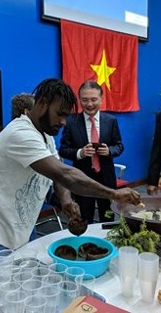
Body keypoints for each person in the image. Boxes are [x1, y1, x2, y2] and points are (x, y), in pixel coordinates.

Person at [0, 78, 142, 262]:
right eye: (60, 114)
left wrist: (65, 201)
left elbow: (57, 177)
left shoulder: (45, 136)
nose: (64, 122)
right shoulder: (20, 133)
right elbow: (64, 173)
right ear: (42, 104)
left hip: (21, 232)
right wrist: (113, 194)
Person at [59, 81, 124, 223]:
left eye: (94, 100)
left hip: (106, 178)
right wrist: (79, 153)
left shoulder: (111, 120)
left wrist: (109, 151)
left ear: (101, 99)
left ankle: (107, 241)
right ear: (79, 100)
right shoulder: (71, 121)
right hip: (82, 179)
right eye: (85, 100)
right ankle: (87, 244)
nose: (89, 104)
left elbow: (119, 146)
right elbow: (63, 150)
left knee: (107, 216)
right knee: (84, 217)